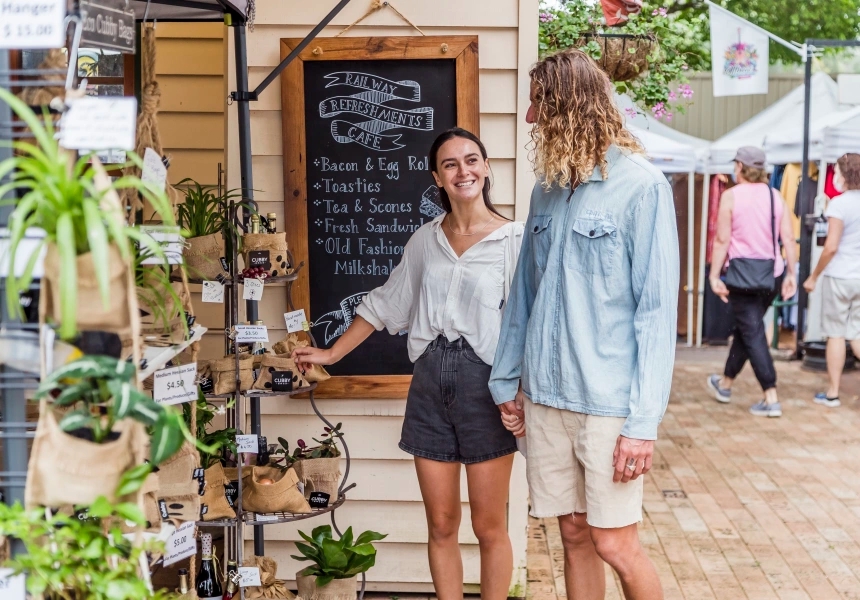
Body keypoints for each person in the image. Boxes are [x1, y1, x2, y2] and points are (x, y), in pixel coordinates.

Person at [292, 128, 523, 600]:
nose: (464, 171)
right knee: (440, 523)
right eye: (451, 164)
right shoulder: (425, 241)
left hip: (487, 386)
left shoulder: (513, 239)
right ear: (436, 176)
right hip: (429, 385)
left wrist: (519, 388)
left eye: (472, 160)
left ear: (486, 167)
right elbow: (385, 304)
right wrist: (331, 353)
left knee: (488, 525)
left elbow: (529, 322)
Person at [490, 48, 679, 600]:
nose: (530, 119)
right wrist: (507, 383)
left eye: (537, 106)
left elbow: (655, 314)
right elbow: (523, 298)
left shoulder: (642, 187)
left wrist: (642, 424)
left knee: (615, 543)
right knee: (572, 534)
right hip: (546, 399)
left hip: (607, 405)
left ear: (570, 108)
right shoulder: (545, 191)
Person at [707, 147, 798, 417]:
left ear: (739, 167)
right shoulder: (775, 196)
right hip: (771, 275)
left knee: (752, 331)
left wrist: (713, 275)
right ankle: (725, 383)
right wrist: (792, 273)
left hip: (742, 277)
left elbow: (722, 240)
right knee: (750, 329)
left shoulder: (731, 196)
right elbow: (788, 240)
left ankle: (771, 396)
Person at [803, 153, 860, 407]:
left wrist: (813, 276)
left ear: (845, 174)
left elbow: (831, 247)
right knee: (857, 333)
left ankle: (833, 392)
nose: (834, 177)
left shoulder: (839, 204)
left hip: (839, 276)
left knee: (836, 334)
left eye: (836, 172)